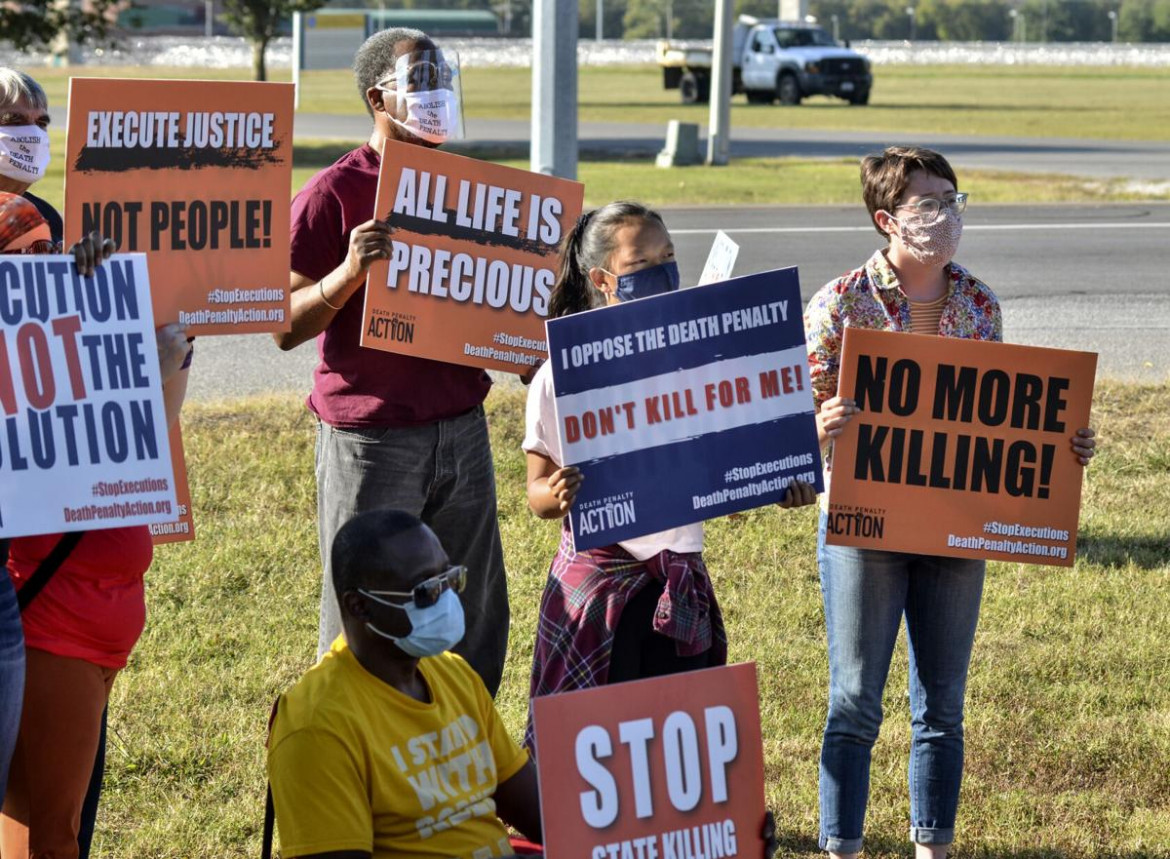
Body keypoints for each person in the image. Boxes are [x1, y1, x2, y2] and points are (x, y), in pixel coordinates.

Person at [803, 146, 1097, 859]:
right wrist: (820, 427)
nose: (947, 215)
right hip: (863, 528)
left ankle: (932, 845)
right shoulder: (841, 302)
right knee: (853, 701)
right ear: (887, 220)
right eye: (928, 204)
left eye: (953, 199)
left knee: (942, 704)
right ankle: (842, 844)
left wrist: (1063, 443)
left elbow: (998, 424)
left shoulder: (979, 302)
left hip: (955, 530)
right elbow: (792, 424)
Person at [521, 201, 817, 752]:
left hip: (678, 579)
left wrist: (786, 478)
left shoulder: (701, 362)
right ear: (602, 280)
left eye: (669, 256)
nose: (662, 270)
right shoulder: (561, 376)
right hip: (602, 587)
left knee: (673, 740)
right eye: (642, 263)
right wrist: (555, 493)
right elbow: (536, 493)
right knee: (598, 739)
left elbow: (738, 455)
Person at [273, 28, 508, 695]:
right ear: (379, 97)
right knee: (366, 616)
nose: (438, 93)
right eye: (422, 80)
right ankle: (357, 765)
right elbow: (285, 324)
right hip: (372, 443)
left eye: (443, 78)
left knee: (473, 615)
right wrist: (350, 272)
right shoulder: (332, 193)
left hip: (462, 431)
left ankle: (464, 759)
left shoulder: (469, 189)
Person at [0, 196, 193, 858]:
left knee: (58, 818)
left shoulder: (77, 326)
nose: (39, 271)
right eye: (19, 261)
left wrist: (116, 306)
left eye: (49, 255)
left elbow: (154, 426)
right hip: (52, 614)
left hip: (106, 607)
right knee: (50, 830)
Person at [267, 509, 541, 859]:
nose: (446, 600)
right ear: (360, 606)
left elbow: (539, 813)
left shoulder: (454, 675)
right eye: (426, 591)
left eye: (449, 578)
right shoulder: (317, 726)